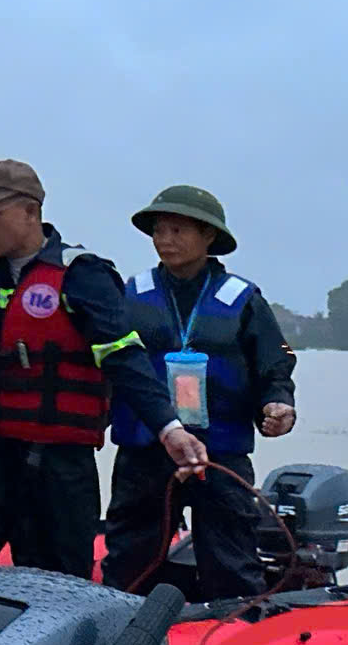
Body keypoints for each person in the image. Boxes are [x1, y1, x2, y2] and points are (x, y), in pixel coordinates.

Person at [0, 160, 206, 611]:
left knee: (54, 588)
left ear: (30, 211)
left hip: (55, 464)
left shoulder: (84, 275)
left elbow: (125, 360)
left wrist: (169, 428)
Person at [101, 185, 298, 598]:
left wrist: (278, 401)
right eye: (158, 231)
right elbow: (110, 365)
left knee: (232, 562)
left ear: (209, 237)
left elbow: (275, 360)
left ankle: (235, 644)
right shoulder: (131, 295)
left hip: (220, 454)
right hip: (145, 451)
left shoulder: (243, 299)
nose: (164, 241)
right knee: (129, 562)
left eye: (177, 230)